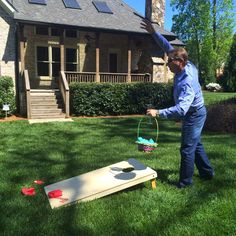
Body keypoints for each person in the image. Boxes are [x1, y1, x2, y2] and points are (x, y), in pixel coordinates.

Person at [143, 20, 214, 188]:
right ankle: (207, 173)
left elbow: (182, 109)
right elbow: (166, 45)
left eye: (169, 62)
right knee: (195, 144)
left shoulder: (187, 81)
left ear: (179, 62)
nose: (167, 64)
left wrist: (158, 113)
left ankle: (185, 184)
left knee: (187, 149)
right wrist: (154, 33)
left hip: (194, 114)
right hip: (195, 111)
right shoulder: (184, 62)